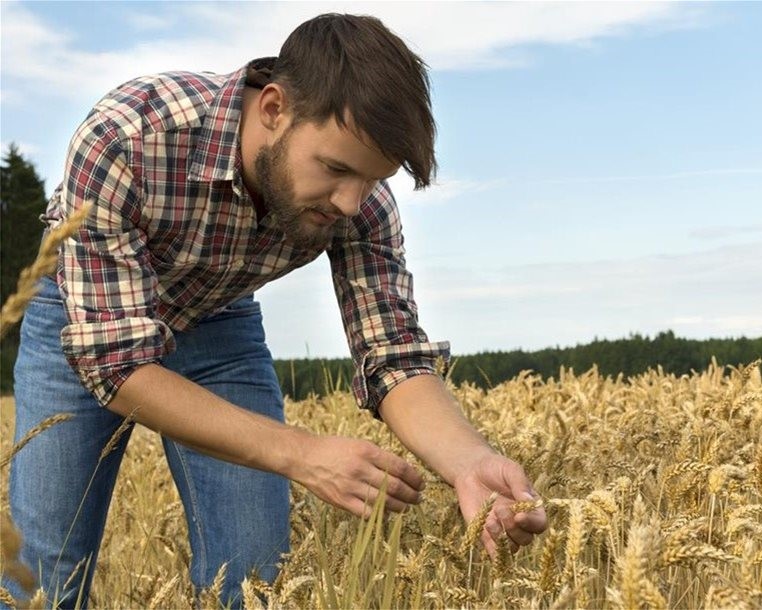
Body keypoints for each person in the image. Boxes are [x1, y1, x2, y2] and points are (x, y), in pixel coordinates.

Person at [4, 13, 547, 608]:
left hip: (219, 323)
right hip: (83, 322)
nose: (350, 202)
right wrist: (303, 454)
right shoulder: (128, 135)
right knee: (42, 573)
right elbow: (117, 364)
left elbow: (393, 357)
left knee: (255, 577)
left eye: (372, 180)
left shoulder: (361, 203)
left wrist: (470, 462)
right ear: (273, 108)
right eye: (336, 169)